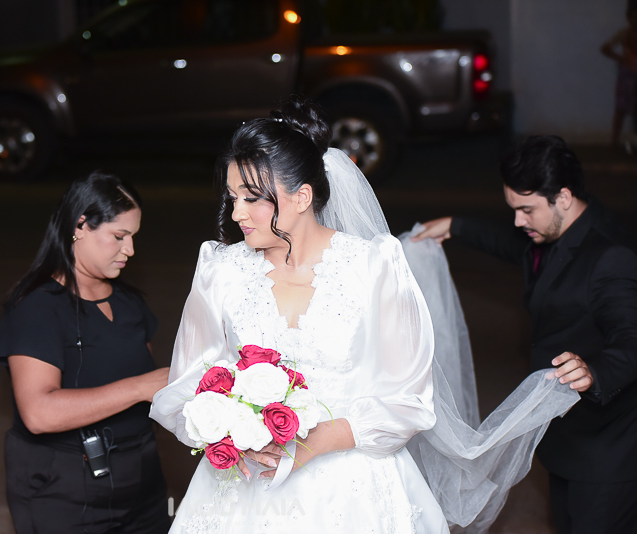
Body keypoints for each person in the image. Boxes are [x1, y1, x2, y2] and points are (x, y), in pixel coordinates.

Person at [149, 98, 453, 533]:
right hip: (247, 487)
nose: (236, 213)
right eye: (232, 197)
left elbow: (409, 399)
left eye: (252, 198)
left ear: (302, 196)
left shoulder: (373, 267)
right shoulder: (220, 271)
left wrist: (315, 442)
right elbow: (188, 382)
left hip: (353, 488)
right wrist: (230, 432)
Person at [413, 135, 637, 533]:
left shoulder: (610, 256)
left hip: (607, 452)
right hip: (565, 440)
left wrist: (594, 371)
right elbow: (511, 244)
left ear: (563, 197)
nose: (518, 221)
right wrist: (455, 226)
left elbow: (631, 339)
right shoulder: (555, 230)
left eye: (526, 210)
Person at [0, 172, 171, 534]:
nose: (130, 250)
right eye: (119, 236)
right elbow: (38, 413)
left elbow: (156, 394)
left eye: (133, 237)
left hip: (143, 483)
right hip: (64, 491)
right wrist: (139, 387)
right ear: (80, 226)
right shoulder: (37, 307)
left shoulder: (129, 303)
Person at [601, 5, 637, 151]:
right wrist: (621, 58)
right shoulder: (624, 34)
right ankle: (614, 143)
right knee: (621, 109)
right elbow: (605, 48)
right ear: (629, 18)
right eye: (634, 17)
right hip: (627, 76)